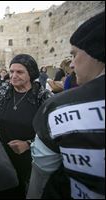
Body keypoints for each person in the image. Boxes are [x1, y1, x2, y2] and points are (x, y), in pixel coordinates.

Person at [27, 11, 105, 199]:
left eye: (74, 54)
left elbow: (42, 174)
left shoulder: (58, 107)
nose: (71, 64)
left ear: (94, 51)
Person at [0, 54, 53, 199]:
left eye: (19, 72)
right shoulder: (3, 91)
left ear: (30, 73)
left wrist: (28, 144)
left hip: (30, 160)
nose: (13, 75)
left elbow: (51, 133)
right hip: (2, 157)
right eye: (11, 71)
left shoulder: (43, 97)